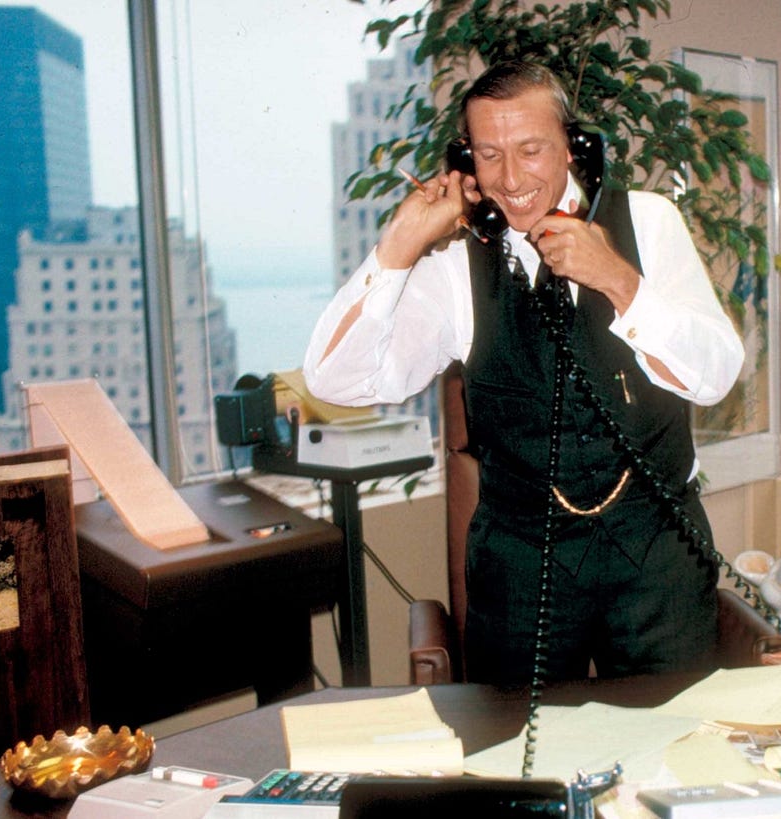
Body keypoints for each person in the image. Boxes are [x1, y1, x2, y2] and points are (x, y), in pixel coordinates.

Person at [303, 61, 745, 686]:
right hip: (521, 565)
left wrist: (619, 280)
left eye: (531, 150)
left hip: (657, 552)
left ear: (574, 147)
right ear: (466, 162)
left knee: (675, 750)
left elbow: (716, 374)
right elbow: (335, 379)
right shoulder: (458, 267)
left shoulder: (648, 223)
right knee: (515, 764)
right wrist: (400, 242)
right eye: (489, 155)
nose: (511, 179)